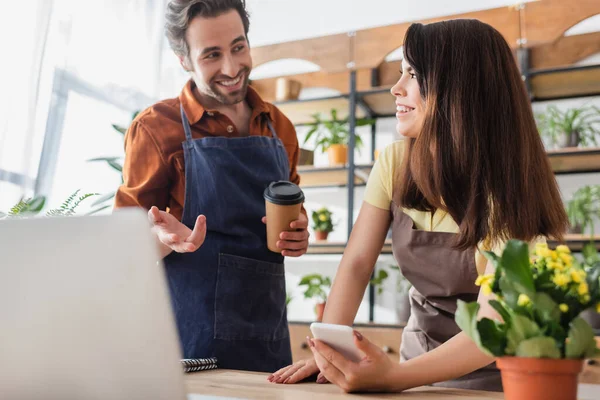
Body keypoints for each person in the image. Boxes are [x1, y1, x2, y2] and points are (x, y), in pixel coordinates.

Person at [269, 19, 568, 392]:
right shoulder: (394, 163)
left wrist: (392, 377)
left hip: (504, 372)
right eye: (400, 73)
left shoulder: (507, 192)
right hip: (420, 355)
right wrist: (326, 352)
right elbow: (357, 263)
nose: (396, 88)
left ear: (459, 89)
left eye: (412, 74)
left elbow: (495, 324)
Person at [114, 0, 309, 372]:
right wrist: (164, 240)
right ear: (183, 58)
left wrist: (299, 232)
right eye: (212, 55)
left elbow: (294, 209)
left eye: (238, 47)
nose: (232, 68)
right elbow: (121, 249)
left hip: (268, 343)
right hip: (187, 344)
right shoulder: (156, 129)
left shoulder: (278, 127)